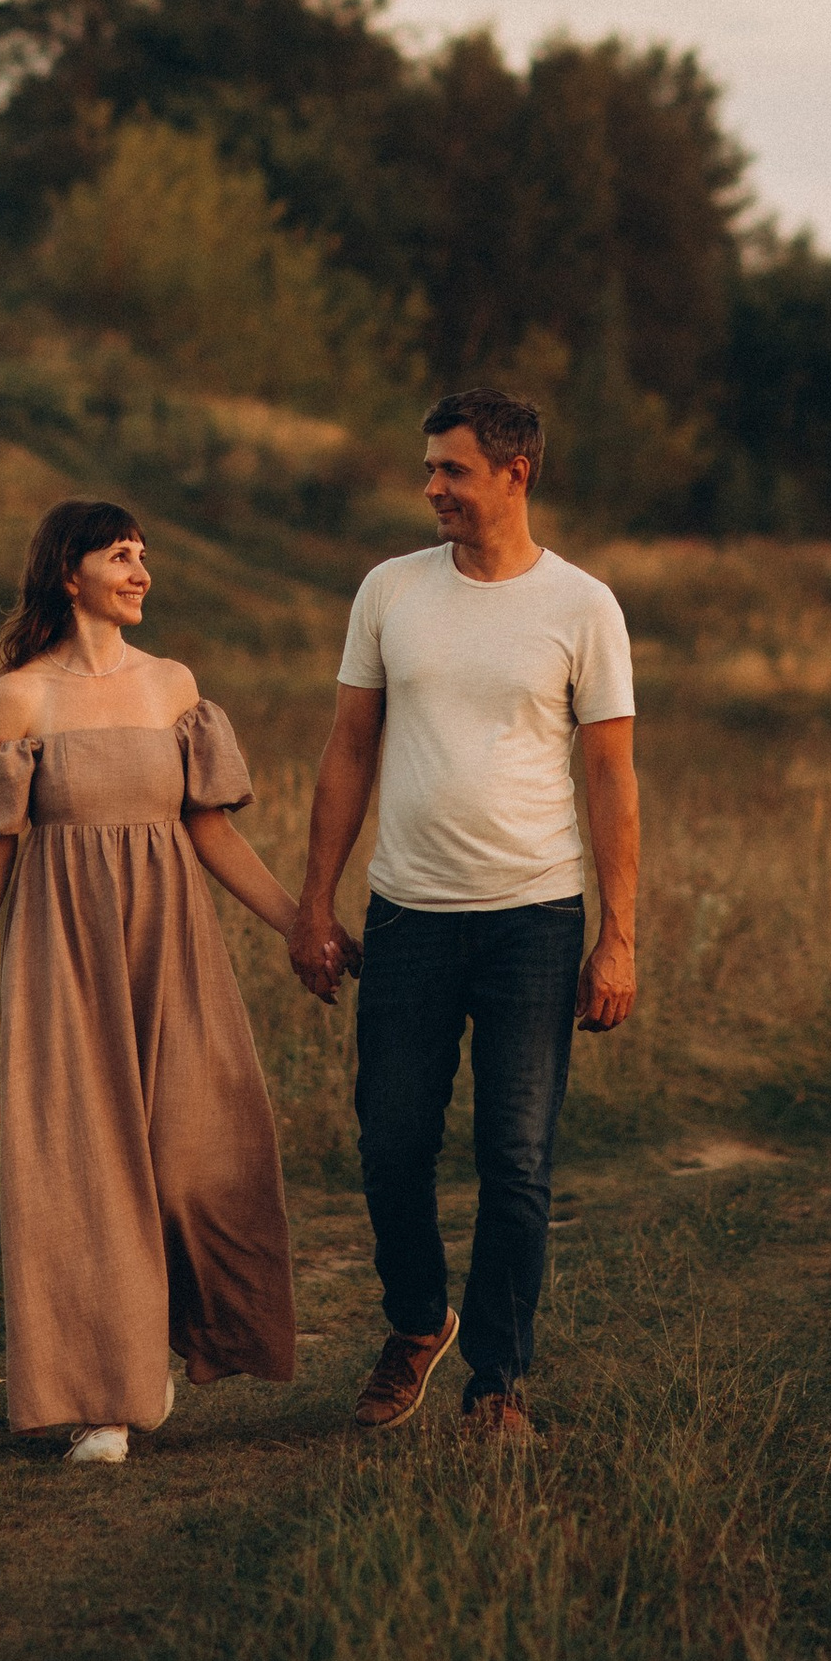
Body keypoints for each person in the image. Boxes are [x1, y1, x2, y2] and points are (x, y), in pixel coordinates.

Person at [287, 390, 638, 1441]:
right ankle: (416, 1321)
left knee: (515, 1159)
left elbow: (611, 778)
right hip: (408, 914)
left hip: (534, 917)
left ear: (514, 474)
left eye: (452, 469)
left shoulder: (583, 606)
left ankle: (496, 1383)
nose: (431, 487)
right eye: (429, 467)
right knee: (390, 1143)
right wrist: (314, 903)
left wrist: (618, 936)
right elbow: (349, 748)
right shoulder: (390, 590)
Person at [0, 498, 324, 1466]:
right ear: (67, 573)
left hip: (173, 944)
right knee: (82, 1169)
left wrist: (301, 923)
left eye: (143, 554)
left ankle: (188, 1335)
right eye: (121, 555)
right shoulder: (20, 698)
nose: (141, 571)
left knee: (201, 1151)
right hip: (62, 952)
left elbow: (211, 831)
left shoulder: (173, 687)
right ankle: (105, 1397)